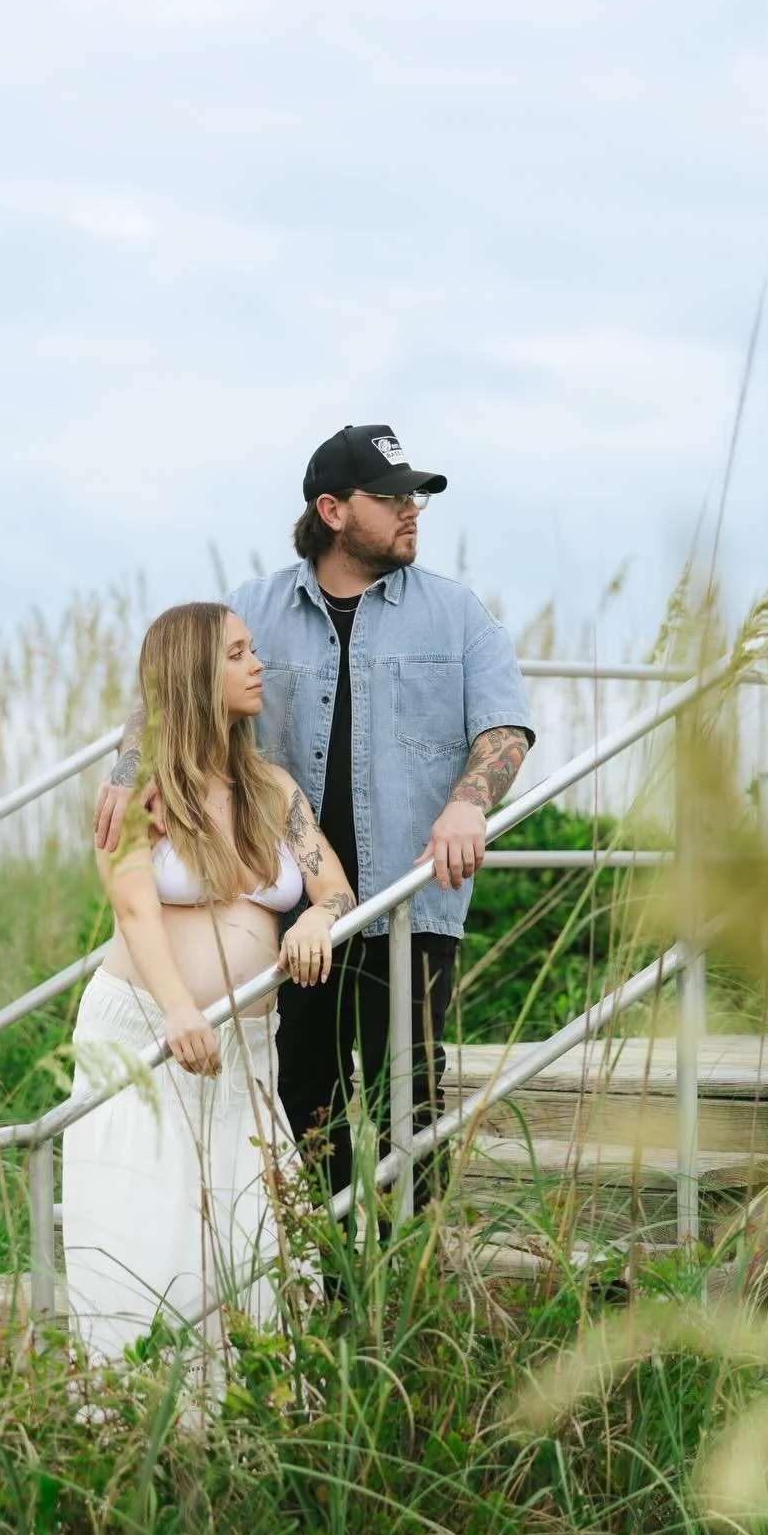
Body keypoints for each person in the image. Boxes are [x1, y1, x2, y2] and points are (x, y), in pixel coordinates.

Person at [94, 424, 534, 1212]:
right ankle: (323, 1294)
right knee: (304, 1111)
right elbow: (175, 693)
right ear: (332, 509)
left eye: (416, 497)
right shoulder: (255, 610)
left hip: (413, 905)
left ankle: (408, 1291)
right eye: (392, 496)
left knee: (415, 1108)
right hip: (295, 916)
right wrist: (129, 771)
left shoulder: (457, 613)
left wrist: (471, 802)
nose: (412, 511)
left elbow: (504, 726)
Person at [62, 600, 355, 1366]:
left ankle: (254, 1435)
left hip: (249, 1057)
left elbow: (335, 886)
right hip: (148, 1034)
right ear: (195, 673)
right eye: (235, 653)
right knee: (150, 1241)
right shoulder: (140, 792)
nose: (256, 664)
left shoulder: (273, 790)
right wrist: (179, 1008)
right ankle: (138, 1429)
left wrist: (320, 918)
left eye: (252, 648)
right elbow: (132, 904)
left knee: (255, 1243)